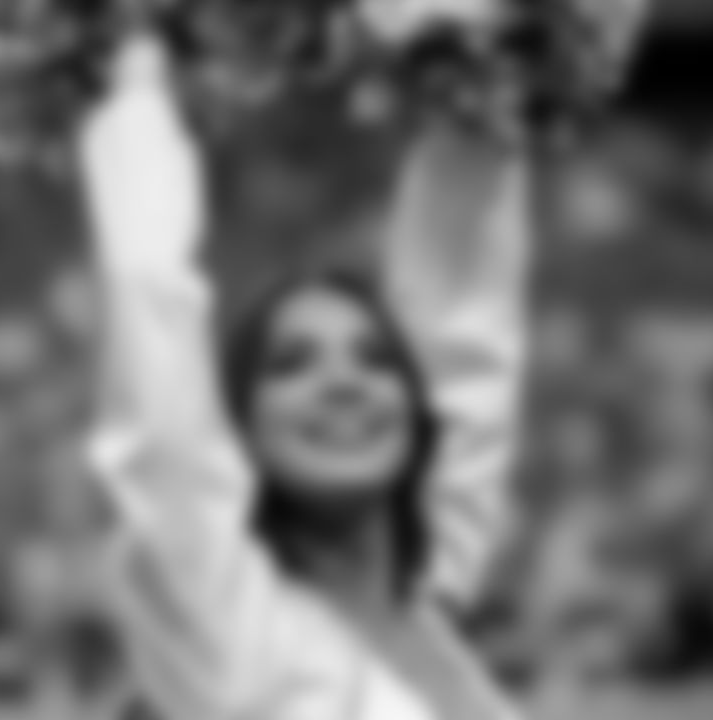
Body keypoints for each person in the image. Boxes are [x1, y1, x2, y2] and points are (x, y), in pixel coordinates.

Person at [75, 33, 531, 720]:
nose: (345, 383)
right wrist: (133, 78)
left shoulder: (424, 608)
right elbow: (160, 407)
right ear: (236, 436)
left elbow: (466, 329)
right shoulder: (232, 631)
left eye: (375, 360)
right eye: (291, 365)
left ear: (414, 416)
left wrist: (472, 86)